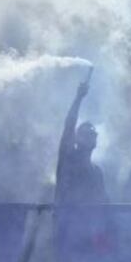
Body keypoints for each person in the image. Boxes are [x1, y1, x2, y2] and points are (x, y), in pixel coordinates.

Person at [55, 73, 108, 203]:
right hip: (66, 221)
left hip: (88, 223)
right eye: (87, 134)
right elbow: (69, 125)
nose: (91, 136)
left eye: (93, 134)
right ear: (78, 138)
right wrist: (78, 98)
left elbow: (104, 204)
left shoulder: (97, 172)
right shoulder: (68, 158)